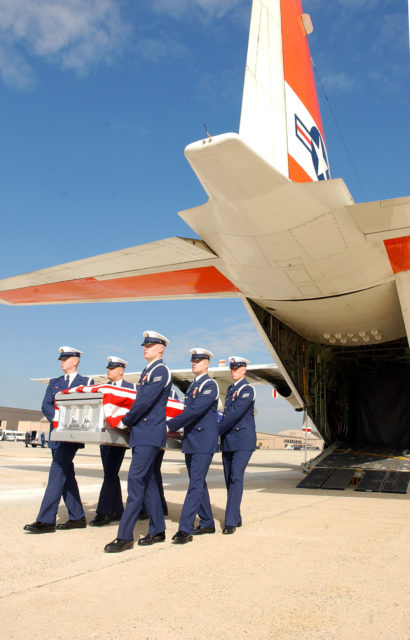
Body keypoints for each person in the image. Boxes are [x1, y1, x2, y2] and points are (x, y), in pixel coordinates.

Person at [104, 331, 171, 553]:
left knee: (135, 482)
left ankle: (124, 536)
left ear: (160, 349)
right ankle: (158, 530)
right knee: (149, 482)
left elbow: (144, 402)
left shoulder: (160, 371)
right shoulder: (147, 371)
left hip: (149, 434)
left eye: (150, 345)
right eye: (145, 345)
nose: (146, 348)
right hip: (142, 433)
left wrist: (124, 420)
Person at [23, 346, 94, 534]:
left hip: (72, 435)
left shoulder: (86, 381)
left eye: (65, 358)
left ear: (75, 360)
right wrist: (58, 418)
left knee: (56, 472)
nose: (62, 361)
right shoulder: (54, 382)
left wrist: (68, 421)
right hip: (56, 432)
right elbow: (45, 405)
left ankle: (46, 520)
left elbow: (87, 405)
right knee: (66, 474)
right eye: (61, 359)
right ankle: (77, 516)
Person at [167, 348, 219, 544]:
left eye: (198, 360)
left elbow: (195, 411)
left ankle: (185, 529)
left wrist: (170, 424)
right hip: (190, 440)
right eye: (193, 360)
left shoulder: (210, 385)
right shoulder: (191, 387)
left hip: (203, 442)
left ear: (207, 363)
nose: (194, 363)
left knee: (195, 483)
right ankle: (207, 522)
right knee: (198, 482)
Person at [89, 356, 135, 527]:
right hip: (104, 436)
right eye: (108, 368)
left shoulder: (131, 388)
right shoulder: (104, 388)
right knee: (110, 473)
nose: (108, 370)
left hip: (119, 435)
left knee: (109, 473)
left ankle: (103, 512)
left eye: (112, 368)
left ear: (121, 370)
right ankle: (116, 510)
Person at [218, 356, 256, 534]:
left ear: (244, 370)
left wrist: (215, 431)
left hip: (242, 441)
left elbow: (233, 415)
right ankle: (236, 515)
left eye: (237, 368)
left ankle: (230, 521)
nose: (233, 371)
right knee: (228, 479)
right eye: (232, 368)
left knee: (235, 477)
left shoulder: (247, 389)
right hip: (228, 441)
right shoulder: (231, 389)